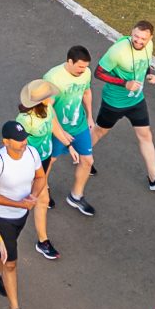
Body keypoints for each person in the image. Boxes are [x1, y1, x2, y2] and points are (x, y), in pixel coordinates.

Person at [84, 21, 155, 194]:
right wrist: (124, 83)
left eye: (143, 38)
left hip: (136, 100)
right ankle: (83, 155)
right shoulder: (118, 50)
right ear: (131, 33)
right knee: (99, 131)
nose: (139, 41)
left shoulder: (149, 46)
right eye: (136, 36)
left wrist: (149, 75)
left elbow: (144, 63)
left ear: (150, 38)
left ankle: (154, 179)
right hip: (114, 102)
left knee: (145, 135)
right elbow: (98, 73)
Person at [0, 121, 42, 309]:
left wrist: (33, 196)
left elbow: (40, 177)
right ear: (5, 142)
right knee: (11, 263)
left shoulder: (32, 153)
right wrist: (20, 204)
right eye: (18, 140)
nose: (23, 142)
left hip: (21, 215)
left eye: (24, 138)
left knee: (4, 251)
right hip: (1, 218)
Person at [16, 78, 83, 260]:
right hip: (32, 165)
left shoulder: (48, 109)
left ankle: (41, 240)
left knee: (41, 199)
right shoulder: (25, 120)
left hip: (44, 160)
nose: (52, 97)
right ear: (40, 100)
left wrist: (69, 146)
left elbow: (54, 128)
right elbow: (18, 145)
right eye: (48, 96)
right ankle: (41, 240)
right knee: (41, 199)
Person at [46, 46, 100, 217]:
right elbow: (48, 109)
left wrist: (89, 116)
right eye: (80, 67)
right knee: (50, 161)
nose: (83, 70)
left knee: (87, 160)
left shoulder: (85, 73)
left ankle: (76, 196)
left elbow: (86, 92)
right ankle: (42, 189)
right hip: (57, 128)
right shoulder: (53, 78)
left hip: (79, 125)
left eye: (85, 67)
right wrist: (61, 132)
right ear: (69, 61)